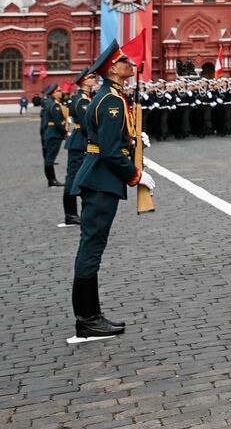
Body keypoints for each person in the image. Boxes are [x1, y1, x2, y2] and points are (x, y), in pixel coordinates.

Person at [71, 41, 153, 339]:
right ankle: (87, 318)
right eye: (125, 61)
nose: (131, 64)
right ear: (113, 69)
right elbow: (107, 149)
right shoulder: (112, 100)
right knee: (92, 245)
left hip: (99, 177)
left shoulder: (111, 95)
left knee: (93, 244)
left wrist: (132, 140)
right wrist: (134, 174)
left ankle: (90, 315)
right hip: (101, 179)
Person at [62, 70, 99, 226]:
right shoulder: (82, 101)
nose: (94, 79)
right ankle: (70, 214)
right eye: (91, 77)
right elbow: (87, 125)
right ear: (84, 81)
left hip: (80, 141)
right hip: (80, 142)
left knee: (79, 176)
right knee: (73, 178)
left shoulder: (84, 99)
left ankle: (76, 212)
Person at [41, 83, 67, 187]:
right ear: (53, 93)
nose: (61, 93)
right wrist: (65, 132)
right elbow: (58, 122)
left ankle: (51, 180)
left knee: (49, 158)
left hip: (50, 133)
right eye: (58, 91)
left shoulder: (50, 103)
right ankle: (52, 180)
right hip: (54, 134)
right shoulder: (55, 105)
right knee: (50, 158)